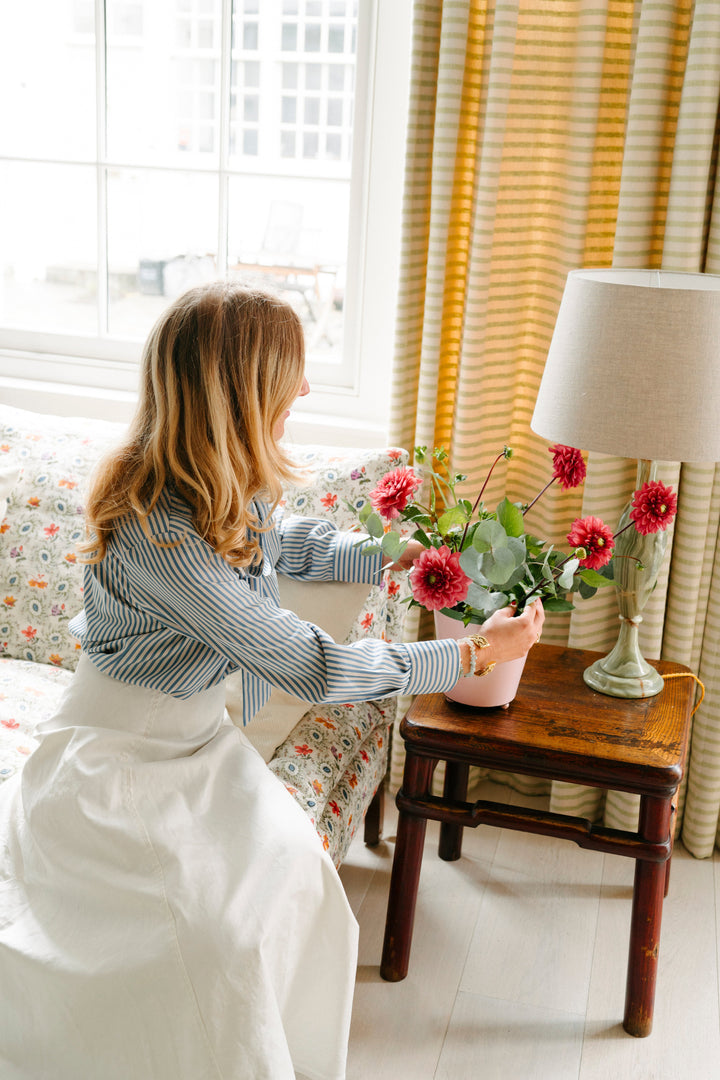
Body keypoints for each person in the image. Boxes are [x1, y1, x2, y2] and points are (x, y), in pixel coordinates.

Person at [0, 282, 543, 1080]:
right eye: (291, 370)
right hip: (115, 771)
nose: (307, 388)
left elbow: (288, 544)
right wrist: (470, 655)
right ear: (238, 391)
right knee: (217, 946)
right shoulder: (157, 533)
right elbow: (313, 665)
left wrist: (397, 552)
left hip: (193, 749)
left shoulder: (217, 481)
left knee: (300, 884)